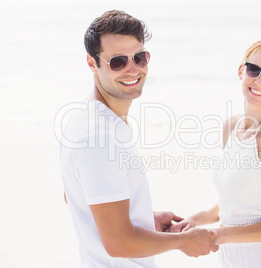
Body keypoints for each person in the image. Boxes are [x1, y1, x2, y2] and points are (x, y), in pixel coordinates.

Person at [57, 10, 218, 268]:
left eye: (140, 58)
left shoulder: (89, 116)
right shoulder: (99, 137)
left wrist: (142, 218)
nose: (133, 69)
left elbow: (78, 194)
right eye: (118, 61)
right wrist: (183, 242)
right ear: (91, 62)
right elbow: (119, 243)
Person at [171, 36, 261, 267]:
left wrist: (219, 235)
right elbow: (235, 203)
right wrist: (196, 219)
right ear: (241, 71)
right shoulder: (231, 127)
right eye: (254, 70)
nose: (260, 81)